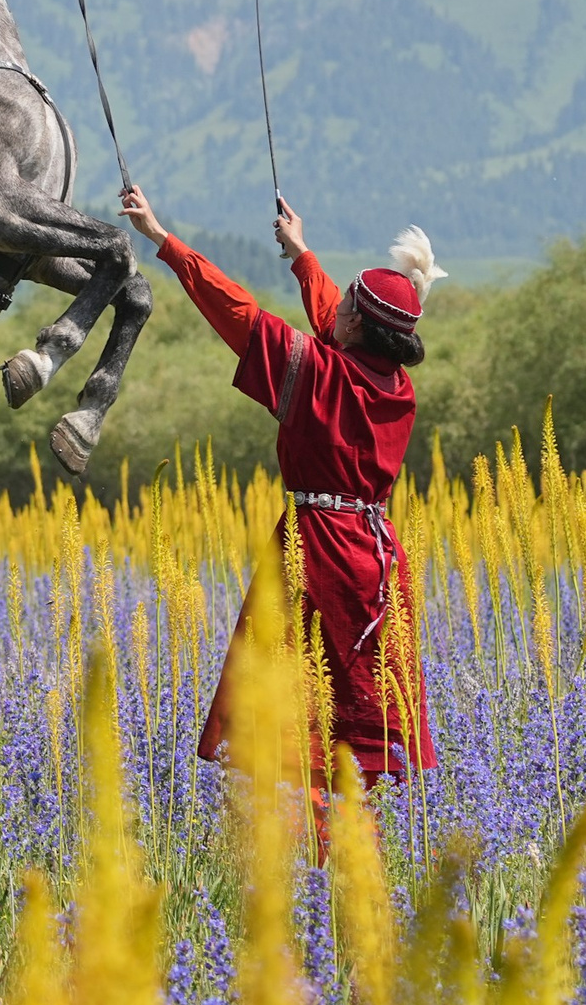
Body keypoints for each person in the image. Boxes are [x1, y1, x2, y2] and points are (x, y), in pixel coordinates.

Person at [118, 184, 444, 818]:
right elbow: (333, 315)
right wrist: (301, 256)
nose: (336, 307)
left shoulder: (320, 374)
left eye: (347, 302)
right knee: (360, 727)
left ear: (356, 325)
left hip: (317, 556)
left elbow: (237, 312)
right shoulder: (394, 385)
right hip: (377, 563)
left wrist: (162, 239)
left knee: (303, 722)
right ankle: (354, 853)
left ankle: (313, 859)